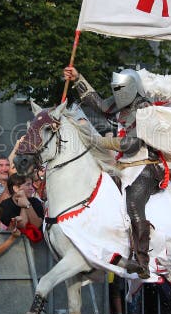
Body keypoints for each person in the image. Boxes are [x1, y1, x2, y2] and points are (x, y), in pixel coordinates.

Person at [63, 66, 163, 279]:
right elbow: (100, 105)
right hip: (123, 166)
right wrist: (78, 78)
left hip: (144, 166)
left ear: (132, 87)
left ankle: (142, 260)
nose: (117, 92)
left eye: (120, 88)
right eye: (115, 88)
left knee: (133, 206)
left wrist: (100, 141)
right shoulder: (123, 101)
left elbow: (132, 144)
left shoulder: (144, 108)